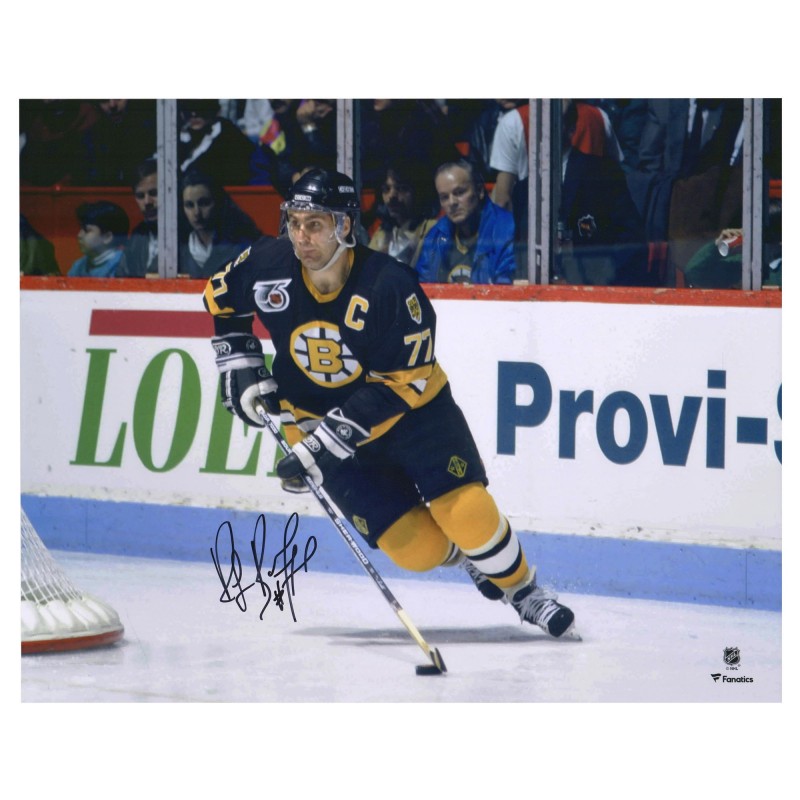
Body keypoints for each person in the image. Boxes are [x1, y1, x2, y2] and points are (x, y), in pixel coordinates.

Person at [201, 167, 575, 638]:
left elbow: (402, 384)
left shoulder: (390, 286)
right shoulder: (267, 264)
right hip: (314, 419)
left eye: (314, 224)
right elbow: (219, 298)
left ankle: (522, 591)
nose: (300, 236)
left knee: (466, 512)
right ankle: (470, 559)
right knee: (415, 551)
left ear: (344, 225)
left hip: (414, 415)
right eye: (294, 222)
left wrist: (322, 445)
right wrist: (239, 360)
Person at [416, 159, 516, 284]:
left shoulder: (506, 230)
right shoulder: (436, 236)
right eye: (444, 197)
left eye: (459, 193)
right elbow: (422, 286)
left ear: (479, 190)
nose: (452, 202)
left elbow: (506, 289)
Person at [178, 170, 262, 279]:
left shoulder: (241, 246)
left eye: (204, 203)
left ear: (218, 202)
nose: (196, 212)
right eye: (189, 205)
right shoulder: (177, 249)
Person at [367, 159, 439, 269]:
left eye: (401, 188)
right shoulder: (382, 233)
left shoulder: (432, 229)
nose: (392, 196)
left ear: (418, 192)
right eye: (386, 189)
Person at [178, 100, 256, 187]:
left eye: (200, 108)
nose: (194, 114)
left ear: (215, 110)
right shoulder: (178, 138)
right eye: (188, 109)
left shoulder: (231, 140)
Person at [67, 201, 129, 277]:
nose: (79, 235)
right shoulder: (78, 266)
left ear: (107, 237)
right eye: (81, 229)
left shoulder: (124, 266)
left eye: (87, 230)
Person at [119, 159, 159, 277]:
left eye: (154, 193)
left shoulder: (187, 236)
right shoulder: (138, 235)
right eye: (140, 196)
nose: (147, 202)